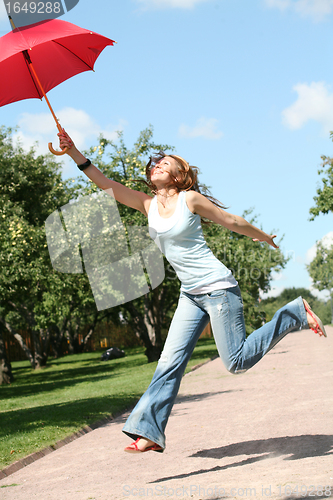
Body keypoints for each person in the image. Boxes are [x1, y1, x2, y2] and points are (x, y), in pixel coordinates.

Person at [58, 130, 327, 454]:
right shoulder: (148, 205)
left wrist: (261, 236)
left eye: (165, 163)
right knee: (169, 360)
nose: (156, 165)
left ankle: (294, 313)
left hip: (218, 290)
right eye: (155, 163)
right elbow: (107, 185)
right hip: (191, 295)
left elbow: (230, 220)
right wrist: (74, 152)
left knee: (236, 362)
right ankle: (149, 430)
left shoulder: (190, 199)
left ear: (179, 175)